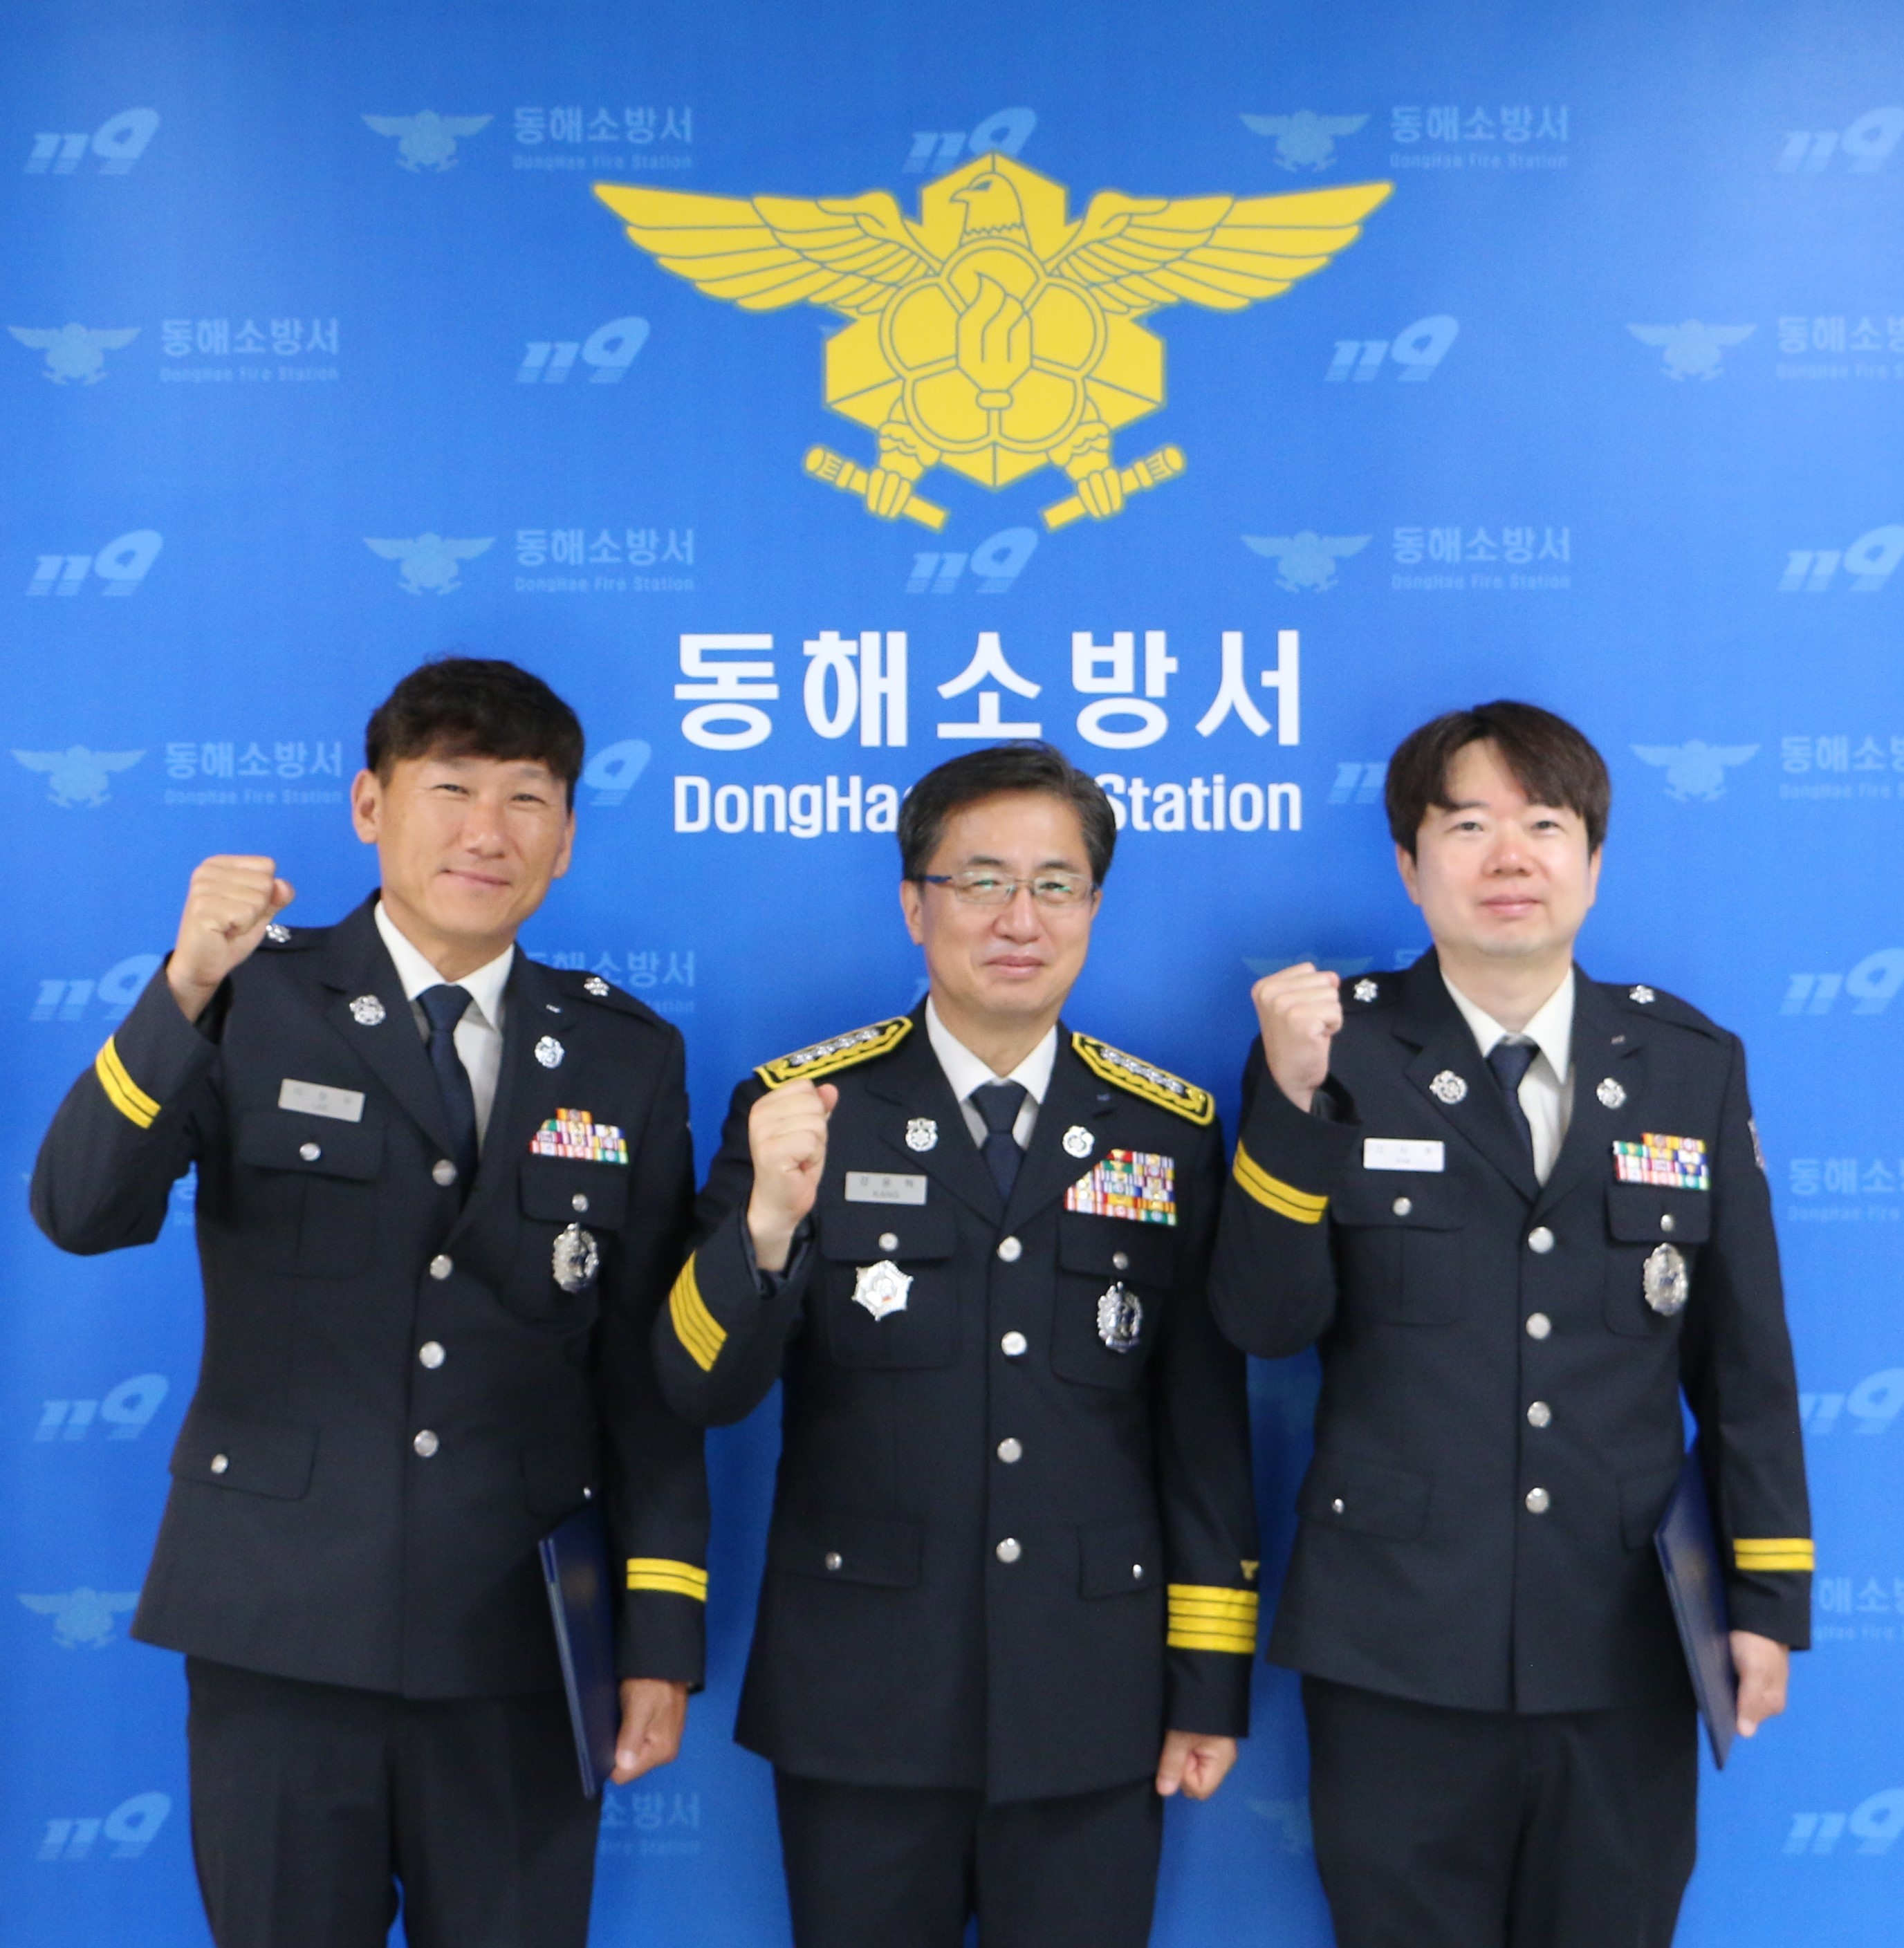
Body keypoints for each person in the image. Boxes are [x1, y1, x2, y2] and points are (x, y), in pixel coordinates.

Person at [32, 658, 708, 1948]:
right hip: (278, 1625)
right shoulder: (248, 992)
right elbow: (79, 1208)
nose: (487, 830)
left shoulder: (626, 1053)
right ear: (368, 806)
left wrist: (661, 1632)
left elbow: (645, 1372)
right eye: (450, 787)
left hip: (518, 1646)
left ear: (566, 836)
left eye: (526, 797)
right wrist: (181, 989)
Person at [1208, 702, 1811, 1948]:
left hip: (1624, 1643)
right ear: (1407, 864)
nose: (1508, 857)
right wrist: (1288, 1104)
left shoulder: (1688, 1063)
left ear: (1592, 860)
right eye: (1466, 825)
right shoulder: (1332, 1048)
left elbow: (1744, 1362)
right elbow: (1265, 1323)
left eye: (1542, 824)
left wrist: (1764, 1599)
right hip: (1393, 1647)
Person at [652, 742, 1257, 1948]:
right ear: (913, 903)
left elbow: (1201, 1429)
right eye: (980, 880)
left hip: (1092, 1698)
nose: (1019, 918)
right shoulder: (801, 1106)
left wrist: (1208, 1677)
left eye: (1055, 884)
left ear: (1093, 905)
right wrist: (767, 1223)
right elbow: (697, 1386)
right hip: (860, 1695)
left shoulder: (1167, 1129)